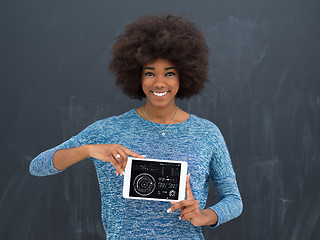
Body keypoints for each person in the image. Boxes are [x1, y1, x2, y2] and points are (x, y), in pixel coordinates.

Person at [29, 14, 243, 239]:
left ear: (185, 76)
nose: (159, 83)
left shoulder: (207, 133)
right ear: (136, 77)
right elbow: (38, 166)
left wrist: (203, 216)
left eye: (169, 73)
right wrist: (89, 149)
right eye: (150, 73)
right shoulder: (107, 131)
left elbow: (234, 200)